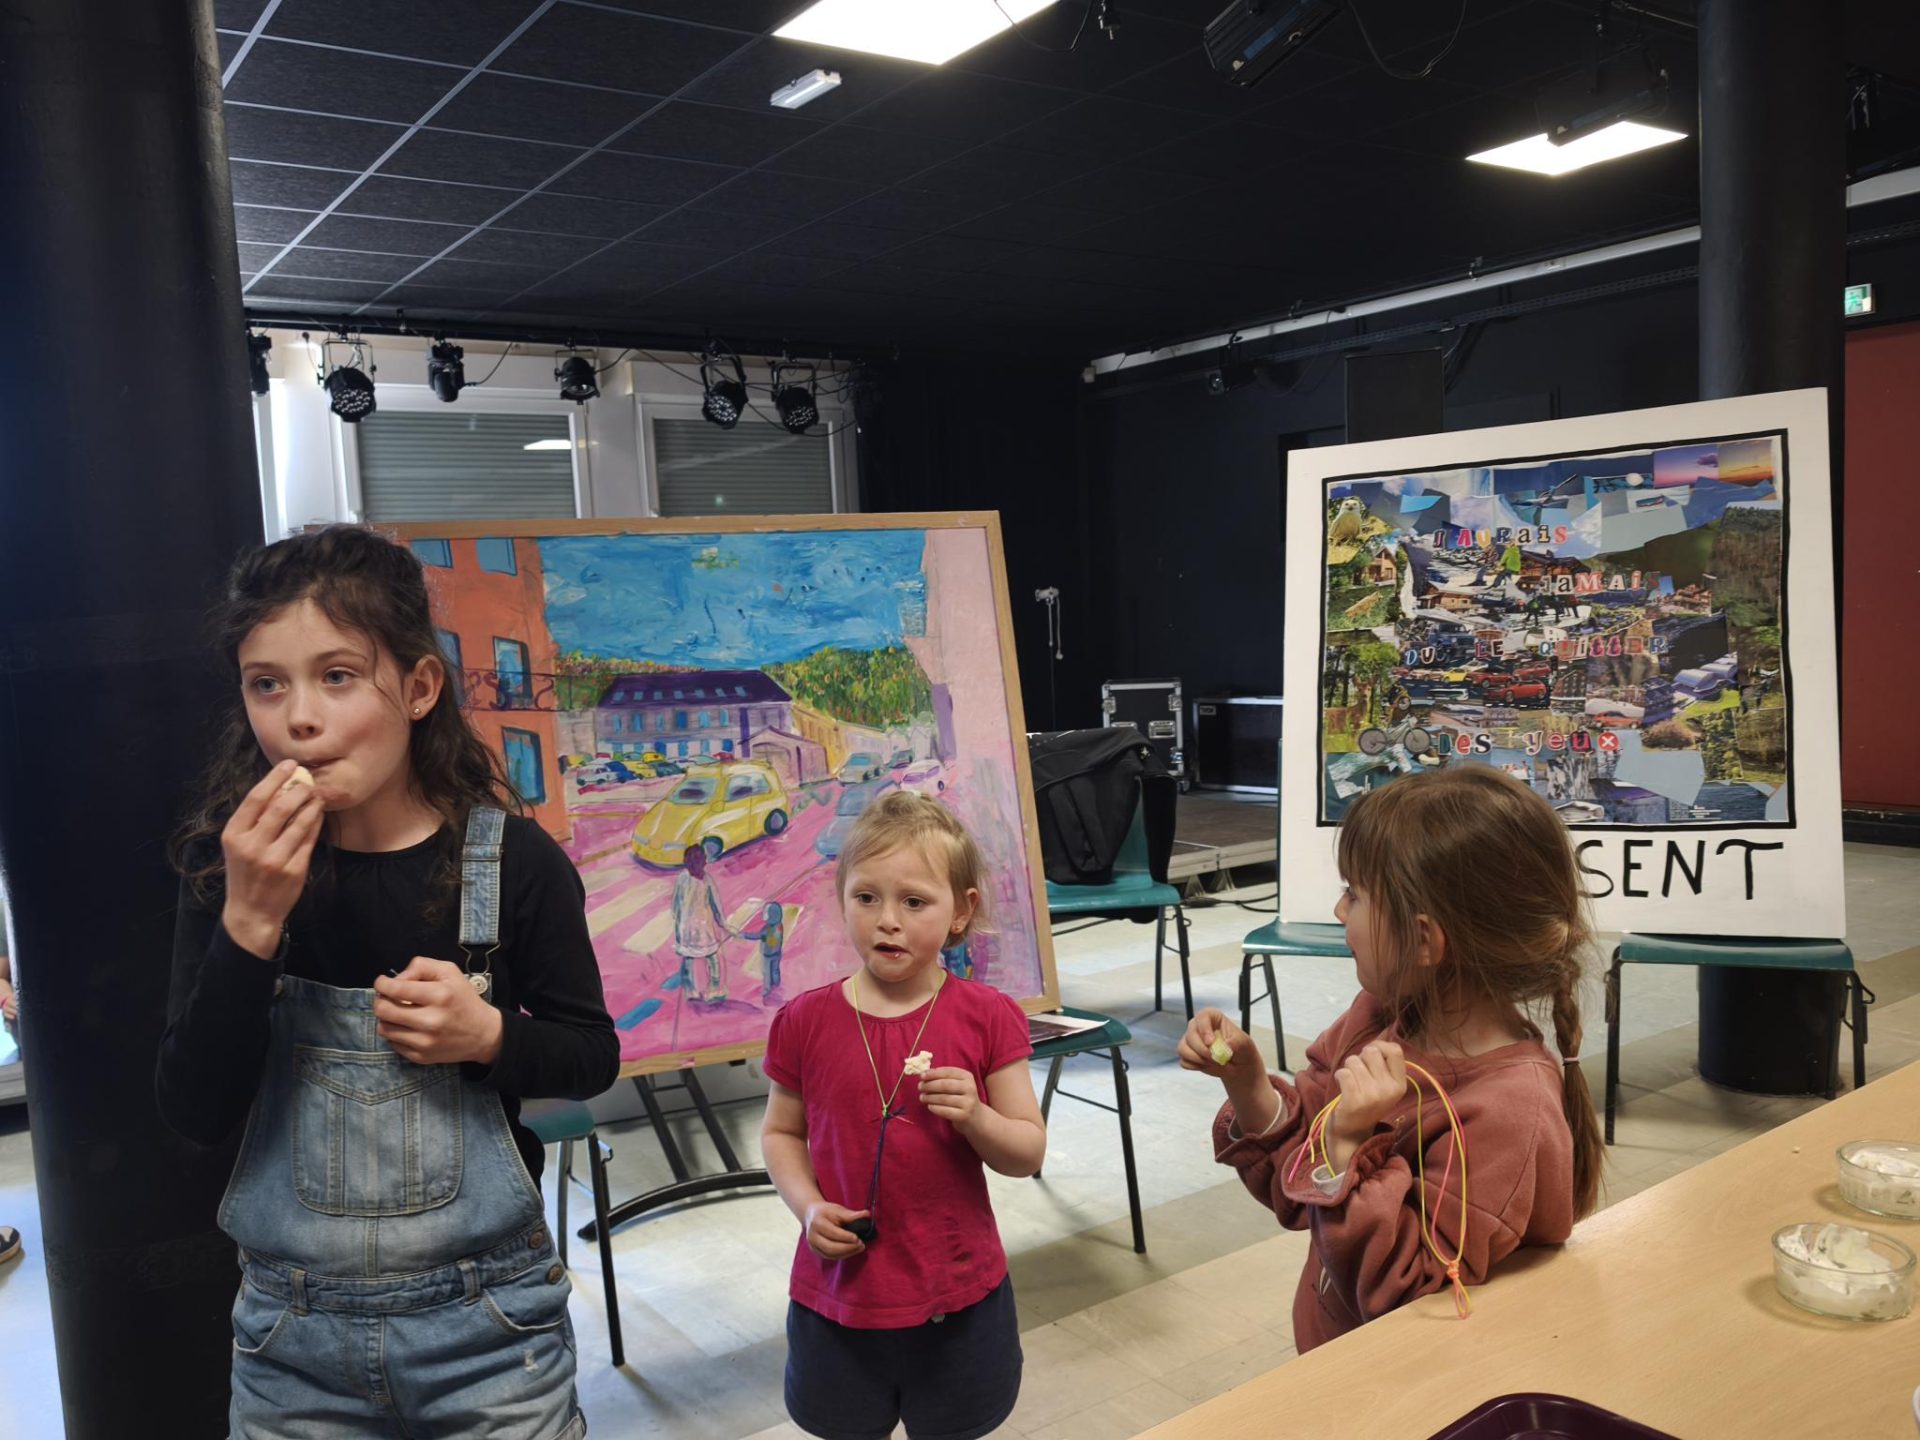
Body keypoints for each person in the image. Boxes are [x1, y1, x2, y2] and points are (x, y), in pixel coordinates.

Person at [154, 526, 619, 1439]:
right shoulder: (231, 866)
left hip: (492, 1333)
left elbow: (589, 1055)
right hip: (291, 1342)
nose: (299, 718)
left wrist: (489, 1037)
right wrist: (250, 925)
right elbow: (193, 1109)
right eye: (266, 684)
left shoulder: (513, 863)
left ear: (418, 687)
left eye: (336, 675)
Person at [1181, 764, 1603, 1353]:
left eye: (1355, 894)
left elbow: (1406, 1299)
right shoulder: (1381, 1016)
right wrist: (1250, 1085)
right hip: (1333, 1352)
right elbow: (1299, 1191)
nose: (1339, 910)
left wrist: (1349, 1143)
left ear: (1424, 940)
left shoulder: (1511, 1111)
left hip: (1402, 1379)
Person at [760, 791, 1045, 1440]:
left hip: (959, 1302)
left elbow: (1027, 1153)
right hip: (838, 1300)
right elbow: (780, 1133)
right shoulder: (804, 1020)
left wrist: (975, 1116)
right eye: (867, 897)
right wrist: (808, 1208)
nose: (887, 921)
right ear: (842, 899)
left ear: (960, 911)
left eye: (914, 902)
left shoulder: (988, 1017)